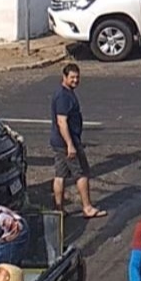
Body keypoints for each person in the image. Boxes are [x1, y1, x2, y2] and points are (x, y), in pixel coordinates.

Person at [50, 63, 106, 219]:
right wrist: (70, 144)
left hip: (59, 142)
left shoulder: (65, 93)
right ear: (64, 77)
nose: (75, 80)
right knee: (81, 173)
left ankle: (59, 210)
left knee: (60, 175)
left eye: (77, 77)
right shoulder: (63, 97)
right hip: (67, 143)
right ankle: (87, 208)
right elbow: (62, 121)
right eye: (72, 77)